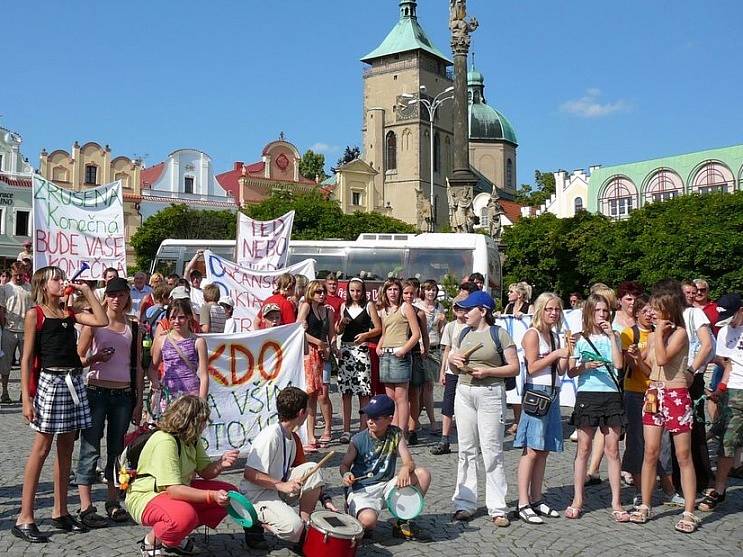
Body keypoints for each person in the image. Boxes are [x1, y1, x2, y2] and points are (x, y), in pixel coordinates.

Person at [12, 266, 109, 544]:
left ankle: (60, 511)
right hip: (50, 382)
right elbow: (27, 357)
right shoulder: (36, 314)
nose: (61, 281)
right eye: (56, 278)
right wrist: (26, 398)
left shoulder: (69, 312)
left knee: (66, 447)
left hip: (73, 381)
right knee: (41, 448)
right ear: (44, 285)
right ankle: (25, 517)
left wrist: (87, 291)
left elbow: (100, 320)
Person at [125, 395, 239, 556]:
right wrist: (212, 495)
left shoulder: (191, 438)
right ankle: (150, 542)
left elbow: (205, 471)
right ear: (192, 421)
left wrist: (221, 463)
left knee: (230, 494)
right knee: (184, 515)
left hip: (174, 490)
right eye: (203, 420)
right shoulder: (165, 441)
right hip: (146, 495)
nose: (206, 425)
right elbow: (174, 490)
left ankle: (173, 538)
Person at [75, 277, 144, 528]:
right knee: (90, 448)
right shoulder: (94, 323)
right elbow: (79, 358)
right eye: (113, 294)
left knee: (116, 451)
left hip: (123, 395)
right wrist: (95, 358)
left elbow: (137, 365)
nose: (117, 299)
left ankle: (113, 501)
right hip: (96, 391)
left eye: (122, 295)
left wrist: (139, 401)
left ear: (127, 298)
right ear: (106, 296)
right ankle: (85, 505)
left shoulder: (133, 326)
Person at [629, 288, 699, 533]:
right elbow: (648, 368)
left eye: (655, 309)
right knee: (650, 451)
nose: (651, 313)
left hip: (676, 394)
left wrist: (658, 334)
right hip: (654, 393)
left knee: (683, 455)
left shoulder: (678, 333)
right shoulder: (655, 335)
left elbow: (662, 359)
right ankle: (646, 505)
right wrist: (637, 357)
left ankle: (689, 511)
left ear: (668, 310)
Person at [447, 290, 519, 526]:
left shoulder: (500, 334)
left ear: (483, 311)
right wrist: (452, 361)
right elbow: (455, 363)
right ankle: (464, 504)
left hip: (490, 393)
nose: (464, 313)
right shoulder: (464, 333)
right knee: (466, 450)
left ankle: (497, 507)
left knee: (492, 450)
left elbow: (514, 368)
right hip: (464, 392)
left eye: (469, 309)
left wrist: (488, 372)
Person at [241, 386, 327, 548]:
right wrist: (282, 485)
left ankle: (304, 523)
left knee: (311, 469)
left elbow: (307, 476)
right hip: (256, 495)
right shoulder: (271, 435)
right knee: (293, 529)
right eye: (307, 409)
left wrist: (326, 498)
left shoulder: (292, 437)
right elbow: (249, 473)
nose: (309, 412)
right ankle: (253, 521)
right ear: (301, 413)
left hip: (276, 489)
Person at [565, 293, 626, 521]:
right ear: (589, 313)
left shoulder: (615, 335)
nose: (602, 315)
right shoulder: (579, 338)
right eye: (598, 311)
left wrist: (611, 336)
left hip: (611, 395)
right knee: (583, 449)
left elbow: (619, 365)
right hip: (588, 394)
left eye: (605, 311)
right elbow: (570, 371)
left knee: (613, 450)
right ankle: (578, 499)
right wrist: (585, 366)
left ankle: (616, 502)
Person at [340, 394, 431, 540]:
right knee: (368, 521)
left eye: (376, 418)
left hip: (386, 485)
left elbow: (409, 461)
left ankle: (401, 521)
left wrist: (405, 468)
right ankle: (353, 509)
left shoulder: (395, 434)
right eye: (368, 416)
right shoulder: (358, 439)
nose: (370, 421)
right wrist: (346, 475)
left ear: (389, 419)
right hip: (362, 490)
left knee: (423, 475)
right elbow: (344, 465)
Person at [515, 293, 569, 524]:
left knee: (544, 448)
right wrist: (555, 354)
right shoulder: (532, 334)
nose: (554, 313)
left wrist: (565, 353)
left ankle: (537, 498)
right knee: (532, 449)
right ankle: (522, 502)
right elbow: (533, 367)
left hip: (553, 393)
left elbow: (561, 371)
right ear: (540, 310)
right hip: (536, 393)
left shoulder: (556, 336)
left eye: (557, 309)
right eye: (549, 309)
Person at [620, 295, 679, 507]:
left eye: (651, 311)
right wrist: (637, 356)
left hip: (657, 391)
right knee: (637, 442)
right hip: (635, 393)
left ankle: (669, 489)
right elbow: (630, 365)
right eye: (644, 311)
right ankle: (639, 490)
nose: (649, 314)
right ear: (636, 313)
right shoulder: (629, 334)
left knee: (662, 444)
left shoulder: (660, 333)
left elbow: (653, 368)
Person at [698, 293, 743, 513]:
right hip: (734, 391)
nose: (727, 323)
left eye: (731, 318)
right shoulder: (725, 331)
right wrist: (721, 388)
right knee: (727, 439)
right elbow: (728, 365)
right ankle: (720, 488)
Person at [336, 278, 382, 444]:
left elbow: (378, 328)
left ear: (363, 291)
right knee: (345, 393)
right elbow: (338, 330)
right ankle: (346, 430)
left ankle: (363, 429)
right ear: (348, 291)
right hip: (346, 351)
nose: (355, 294)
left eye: (358, 291)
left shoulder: (369, 306)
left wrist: (366, 335)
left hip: (362, 350)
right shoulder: (344, 306)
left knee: (364, 392)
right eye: (352, 291)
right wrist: (341, 323)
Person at [376, 278, 421, 441]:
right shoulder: (383, 310)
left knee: (402, 397)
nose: (393, 293)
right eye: (390, 290)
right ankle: (392, 430)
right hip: (385, 355)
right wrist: (378, 347)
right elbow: (384, 332)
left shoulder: (405, 307)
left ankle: (401, 433)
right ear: (385, 292)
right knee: (390, 398)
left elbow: (416, 334)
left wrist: (403, 350)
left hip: (399, 354)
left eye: (395, 289)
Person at [150, 299, 208, 415]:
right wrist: (156, 382)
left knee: (190, 432)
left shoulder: (198, 341)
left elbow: (204, 375)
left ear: (189, 317)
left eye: (181, 317)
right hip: (168, 396)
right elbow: (152, 368)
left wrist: (202, 402)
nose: (176, 321)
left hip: (191, 398)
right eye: (172, 318)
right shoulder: (161, 340)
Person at [296, 280, 335, 450]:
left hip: (321, 354)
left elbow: (330, 334)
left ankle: (311, 434)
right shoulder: (306, 306)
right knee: (308, 393)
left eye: (323, 291)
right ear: (311, 292)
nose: (322, 294)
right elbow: (299, 329)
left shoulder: (326, 311)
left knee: (316, 396)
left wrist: (329, 347)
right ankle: (306, 434)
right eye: (318, 291)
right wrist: (318, 342)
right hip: (308, 353)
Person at [431, 294, 468, 456]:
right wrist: (442, 371)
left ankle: (468, 438)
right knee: (448, 405)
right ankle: (445, 439)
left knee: (467, 405)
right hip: (452, 371)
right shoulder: (450, 326)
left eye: (463, 306)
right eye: (456, 306)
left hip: (468, 371)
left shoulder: (473, 325)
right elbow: (446, 350)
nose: (459, 309)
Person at [416, 279, 446, 436]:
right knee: (420, 387)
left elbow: (441, 331)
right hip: (419, 349)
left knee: (427, 387)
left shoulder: (439, 307)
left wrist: (442, 321)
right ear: (423, 291)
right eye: (428, 290)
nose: (431, 292)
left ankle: (425, 420)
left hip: (434, 348)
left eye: (433, 290)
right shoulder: (417, 305)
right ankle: (424, 420)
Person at [0, 261, 32, 403]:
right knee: (5, 363)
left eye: (21, 275)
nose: (18, 278)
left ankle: (23, 393)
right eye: (16, 275)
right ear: (11, 273)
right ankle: (5, 391)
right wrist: (4, 325)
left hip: (26, 332)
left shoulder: (29, 288)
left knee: (26, 364)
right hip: (9, 330)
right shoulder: (6, 288)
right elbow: (1, 308)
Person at [403, 279, 429, 445]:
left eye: (411, 293)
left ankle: (412, 428)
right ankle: (402, 426)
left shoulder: (419, 313)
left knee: (415, 392)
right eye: (406, 293)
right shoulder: (396, 310)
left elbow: (424, 334)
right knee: (400, 394)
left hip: (414, 354)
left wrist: (425, 349)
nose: (408, 296)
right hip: (399, 353)